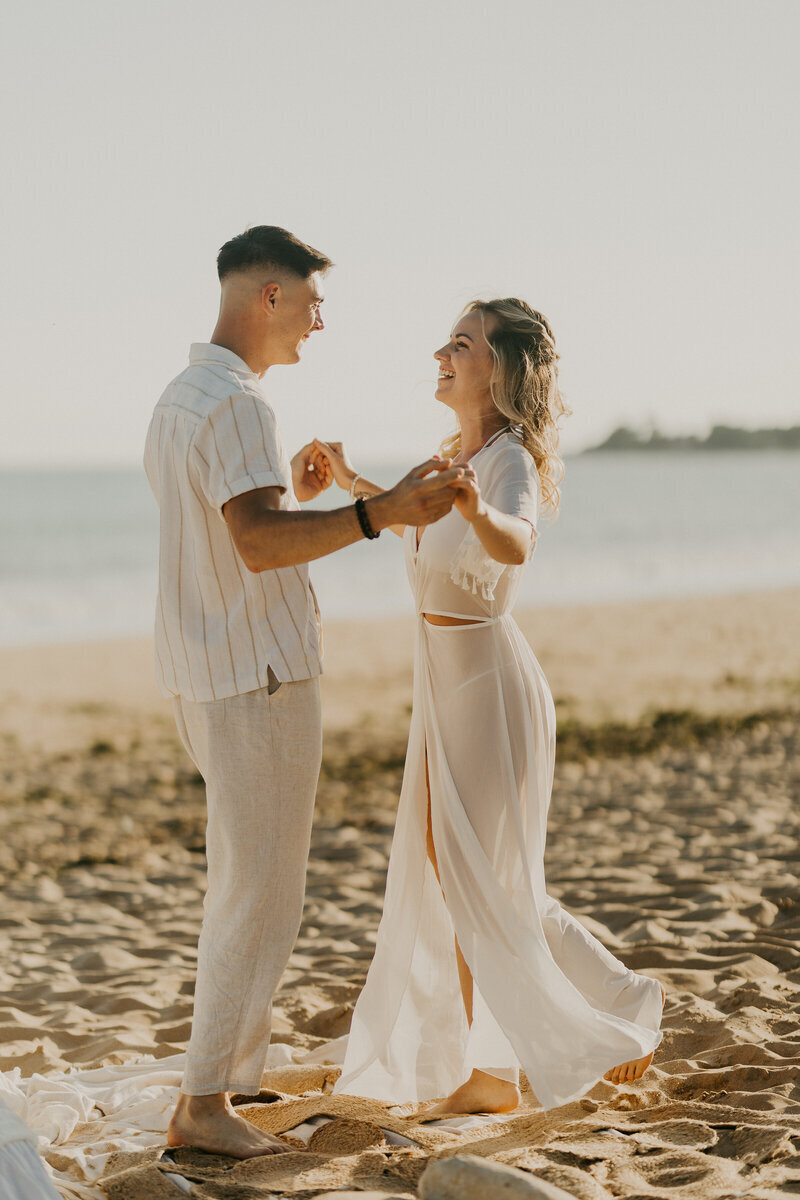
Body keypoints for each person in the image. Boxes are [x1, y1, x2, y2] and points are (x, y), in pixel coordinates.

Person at [143, 225, 463, 1158]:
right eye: (313, 303)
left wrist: (288, 493)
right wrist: (381, 512)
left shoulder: (182, 394)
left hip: (205, 673)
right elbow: (257, 546)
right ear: (268, 296)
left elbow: (234, 526)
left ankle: (232, 1072)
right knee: (263, 894)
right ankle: (204, 1104)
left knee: (243, 880)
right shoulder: (239, 404)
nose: (322, 322)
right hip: (261, 675)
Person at [317, 298, 665, 1115]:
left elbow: (515, 539)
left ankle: (502, 1067)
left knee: (487, 881)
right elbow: (419, 530)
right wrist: (353, 482)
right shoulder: (454, 456)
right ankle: (605, 1006)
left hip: (487, 688)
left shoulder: (504, 462)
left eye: (462, 343)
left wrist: (476, 510)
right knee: (466, 875)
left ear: (500, 369)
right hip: (447, 687)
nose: (441, 351)